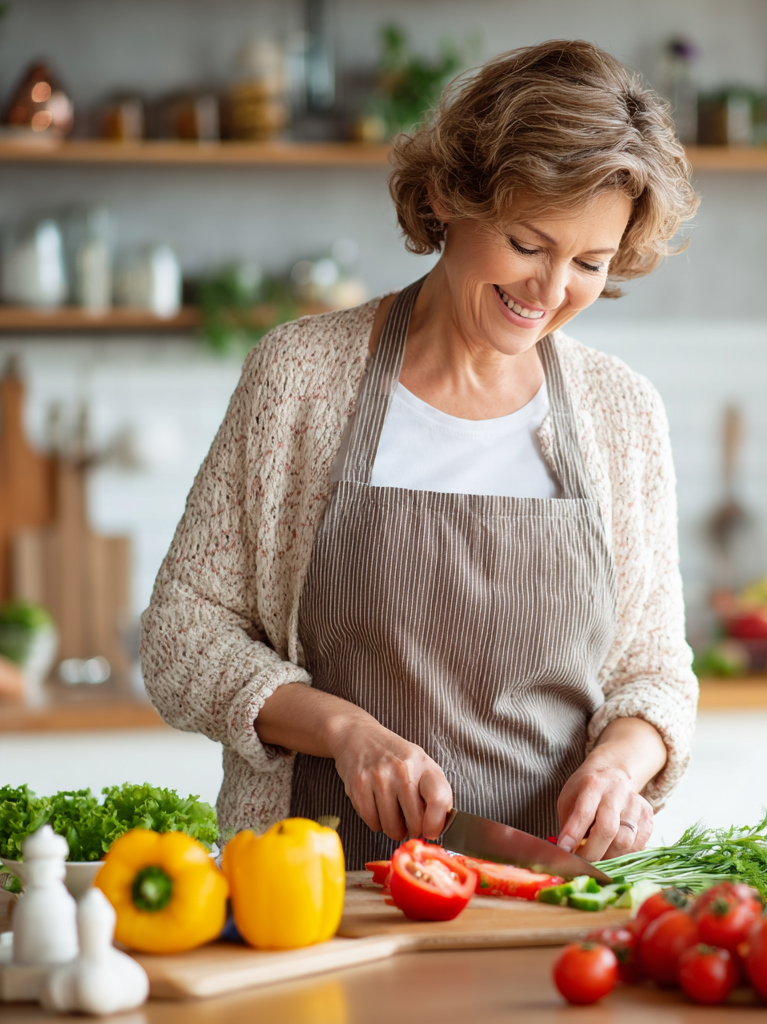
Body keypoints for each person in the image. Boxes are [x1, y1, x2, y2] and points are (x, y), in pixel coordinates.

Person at [142, 39, 699, 869]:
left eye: (590, 263)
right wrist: (345, 733)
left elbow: (653, 673)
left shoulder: (622, 414)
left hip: (542, 904)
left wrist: (623, 765)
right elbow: (182, 636)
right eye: (526, 243)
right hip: (312, 895)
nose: (550, 293)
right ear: (447, 196)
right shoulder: (301, 378)